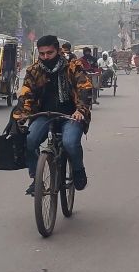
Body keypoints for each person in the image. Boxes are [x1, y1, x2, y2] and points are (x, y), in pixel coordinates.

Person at [15, 35, 91, 195]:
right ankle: (36, 179)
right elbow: (26, 93)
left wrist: (80, 110)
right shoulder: (34, 70)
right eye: (42, 54)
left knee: (70, 143)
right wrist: (21, 114)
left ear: (58, 50)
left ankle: (78, 170)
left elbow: (84, 87)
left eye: (49, 53)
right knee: (29, 140)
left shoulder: (72, 66)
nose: (45, 57)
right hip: (44, 115)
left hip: (71, 116)